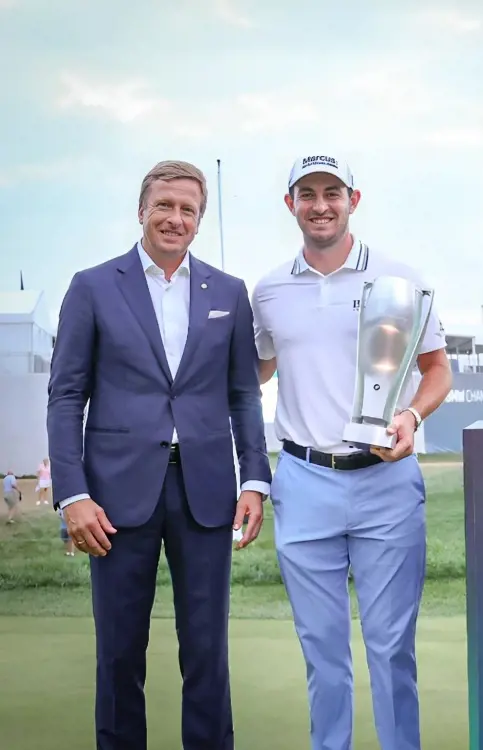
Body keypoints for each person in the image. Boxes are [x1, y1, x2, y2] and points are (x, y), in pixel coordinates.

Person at [47, 159, 272, 750]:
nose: (175, 219)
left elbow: (243, 394)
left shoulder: (228, 292)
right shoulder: (93, 286)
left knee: (206, 652)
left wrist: (255, 479)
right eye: (164, 206)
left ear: (200, 220)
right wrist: (72, 494)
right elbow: (66, 396)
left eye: (188, 210)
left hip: (206, 494)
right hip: (114, 499)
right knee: (120, 654)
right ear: (141, 210)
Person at [251, 154, 452, 750]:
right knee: (323, 652)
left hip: (385, 481)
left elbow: (437, 370)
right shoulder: (268, 290)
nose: (320, 204)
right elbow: (254, 371)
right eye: (307, 193)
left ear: (352, 200)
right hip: (305, 479)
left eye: (331, 192)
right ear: (291, 204)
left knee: (391, 649)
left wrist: (413, 415)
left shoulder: (400, 277)